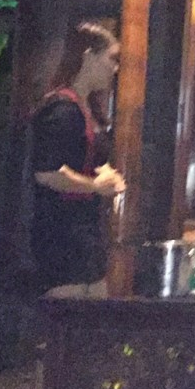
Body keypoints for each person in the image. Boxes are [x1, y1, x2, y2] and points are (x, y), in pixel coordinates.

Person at [30, 21, 125, 296]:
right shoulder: (62, 110)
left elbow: (87, 158)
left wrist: (107, 174)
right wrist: (95, 186)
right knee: (69, 308)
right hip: (61, 235)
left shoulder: (88, 109)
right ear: (88, 56)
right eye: (111, 59)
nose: (115, 68)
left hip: (86, 234)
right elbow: (47, 173)